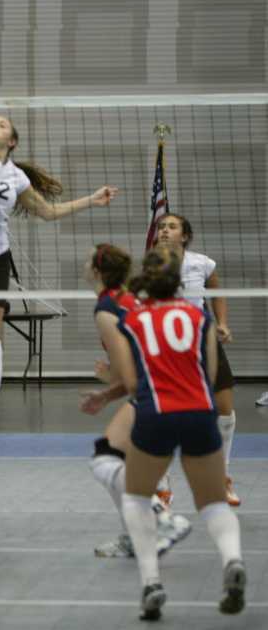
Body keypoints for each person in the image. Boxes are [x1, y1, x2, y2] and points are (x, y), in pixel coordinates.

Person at [0, 57, 119, 455]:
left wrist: (92, 199)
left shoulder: (17, 177)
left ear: (13, 140)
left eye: (1, 124)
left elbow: (48, 212)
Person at [105, 247, 245, 620]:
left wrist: (109, 383)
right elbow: (212, 375)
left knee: (136, 498)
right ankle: (232, 560)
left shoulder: (133, 320)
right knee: (214, 502)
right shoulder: (199, 316)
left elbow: (134, 383)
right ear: (178, 282)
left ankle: (151, 583)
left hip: (157, 414)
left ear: (145, 280)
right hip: (200, 412)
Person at [80, 244, 191, 559]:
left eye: (89, 260)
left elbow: (128, 376)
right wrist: (109, 388)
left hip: (152, 390)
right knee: (118, 459)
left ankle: (160, 517)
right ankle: (139, 531)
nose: (84, 264)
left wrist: (107, 386)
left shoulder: (106, 310)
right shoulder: (128, 299)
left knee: (107, 459)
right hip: (170, 384)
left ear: (98, 272)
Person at [156, 213, 239, 506]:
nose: (165, 230)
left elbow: (217, 293)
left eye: (172, 226)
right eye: (162, 227)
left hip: (203, 340)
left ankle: (221, 476)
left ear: (185, 236)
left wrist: (223, 323)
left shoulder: (202, 263)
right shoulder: (150, 265)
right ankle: (162, 485)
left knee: (225, 411)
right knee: (165, 415)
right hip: (168, 343)